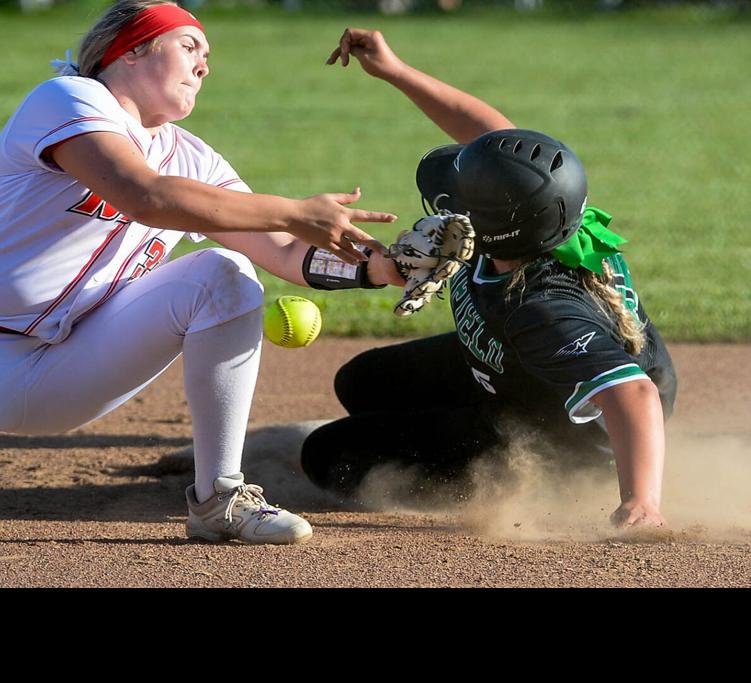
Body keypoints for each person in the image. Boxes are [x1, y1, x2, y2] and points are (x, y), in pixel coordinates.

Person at [0, 2, 406, 544]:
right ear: (132, 49)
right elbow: (142, 194)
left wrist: (382, 269)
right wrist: (292, 209)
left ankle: (219, 500)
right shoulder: (67, 100)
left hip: (62, 374)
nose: (205, 66)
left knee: (224, 274)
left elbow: (285, 251)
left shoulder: (193, 159)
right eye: (190, 46)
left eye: (208, 54)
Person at [300, 29, 677, 528]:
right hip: (519, 369)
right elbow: (494, 137)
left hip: (555, 433)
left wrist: (641, 502)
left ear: (493, 228)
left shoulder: (542, 309)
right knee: (361, 381)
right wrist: (396, 71)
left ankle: (518, 475)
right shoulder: (549, 207)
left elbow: (634, 391)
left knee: (328, 455)